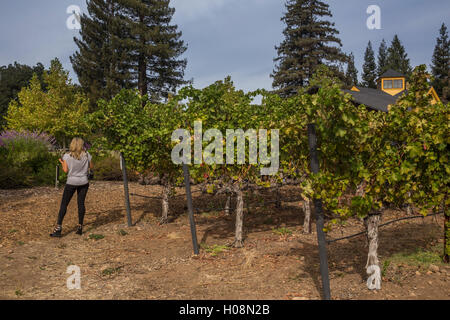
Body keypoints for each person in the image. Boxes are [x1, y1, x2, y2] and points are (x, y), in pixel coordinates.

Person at [50, 137, 93, 237]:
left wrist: (62, 163)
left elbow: (65, 170)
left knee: (64, 204)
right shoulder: (87, 155)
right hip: (83, 182)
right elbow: (91, 167)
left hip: (71, 182)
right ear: (82, 144)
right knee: (81, 204)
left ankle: (58, 228)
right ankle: (80, 227)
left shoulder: (66, 156)